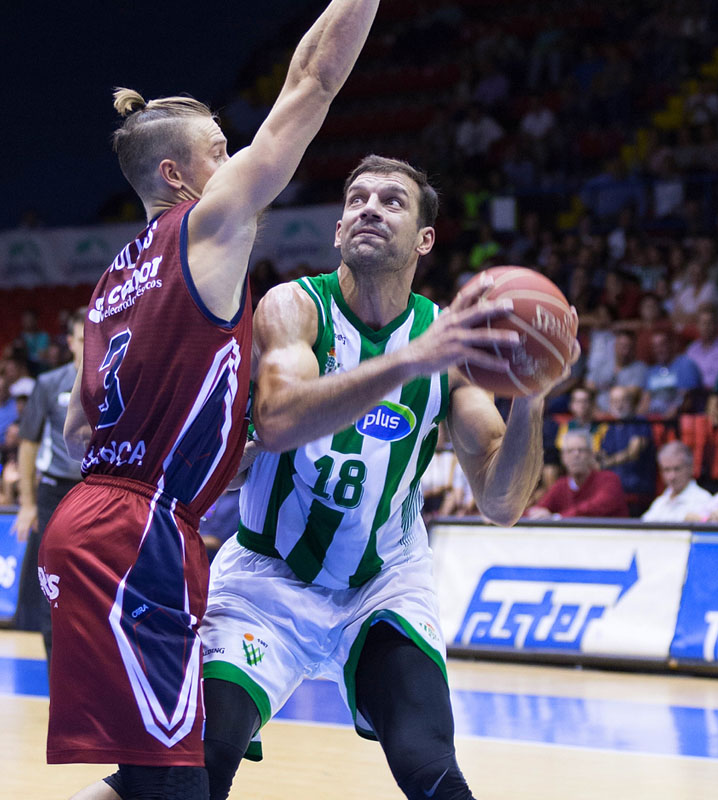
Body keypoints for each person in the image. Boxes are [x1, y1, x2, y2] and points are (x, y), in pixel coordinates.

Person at [40, 3, 384, 797]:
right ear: (178, 176)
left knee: (145, 773)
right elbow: (314, 80)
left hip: (96, 520)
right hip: (137, 534)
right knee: (183, 780)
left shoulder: (108, 285)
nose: (237, 164)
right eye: (221, 153)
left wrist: (213, 435)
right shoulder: (210, 223)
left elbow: (77, 423)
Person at [197, 155, 571, 800]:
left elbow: (502, 501)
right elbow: (282, 420)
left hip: (383, 582)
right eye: (357, 199)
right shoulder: (295, 307)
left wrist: (532, 395)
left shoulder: (441, 343)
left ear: (425, 239)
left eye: (393, 201)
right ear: (339, 228)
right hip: (269, 578)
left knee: (431, 768)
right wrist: (410, 363)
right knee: (204, 760)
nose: (370, 208)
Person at [12, 309, 88, 660]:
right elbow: (27, 443)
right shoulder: (49, 383)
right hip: (55, 491)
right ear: (71, 342)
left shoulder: (118, 379)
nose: (89, 346)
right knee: (52, 581)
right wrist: (28, 503)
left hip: (97, 491)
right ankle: (55, 670)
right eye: (83, 339)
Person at [525, 431, 628, 519]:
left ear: (591, 455)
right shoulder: (561, 485)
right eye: (570, 451)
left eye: (581, 450)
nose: (576, 455)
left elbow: (597, 507)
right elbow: (539, 510)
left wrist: (557, 517)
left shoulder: (609, 479)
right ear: (563, 458)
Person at [597, 385, 655, 514]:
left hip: (637, 492)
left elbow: (633, 452)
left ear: (631, 403)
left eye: (623, 400)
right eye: (615, 401)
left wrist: (607, 463)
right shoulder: (609, 428)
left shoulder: (640, 423)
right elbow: (601, 455)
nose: (619, 405)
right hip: (612, 491)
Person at [641, 441, 713, 522]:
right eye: (666, 470)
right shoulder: (659, 503)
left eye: (677, 469)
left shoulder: (704, 501)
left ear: (690, 468)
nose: (672, 476)